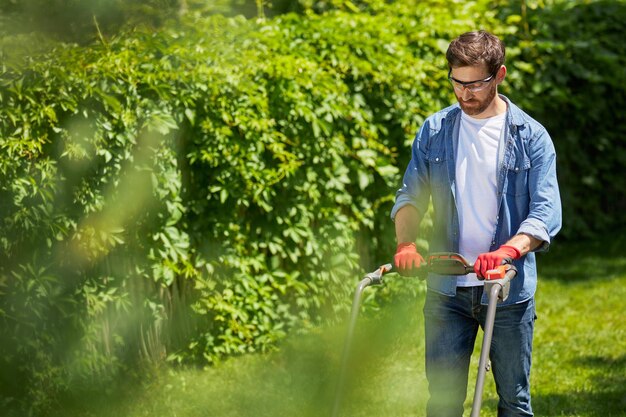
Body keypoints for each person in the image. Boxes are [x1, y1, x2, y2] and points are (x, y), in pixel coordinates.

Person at [390, 30, 561, 416]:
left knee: (514, 401)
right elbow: (410, 195)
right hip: (447, 289)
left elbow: (545, 212)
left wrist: (505, 251)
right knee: (444, 401)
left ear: (499, 75)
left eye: (476, 84)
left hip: (505, 292)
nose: (465, 94)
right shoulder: (434, 130)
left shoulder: (531, 137)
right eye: (457, 82)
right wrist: (406, 243)